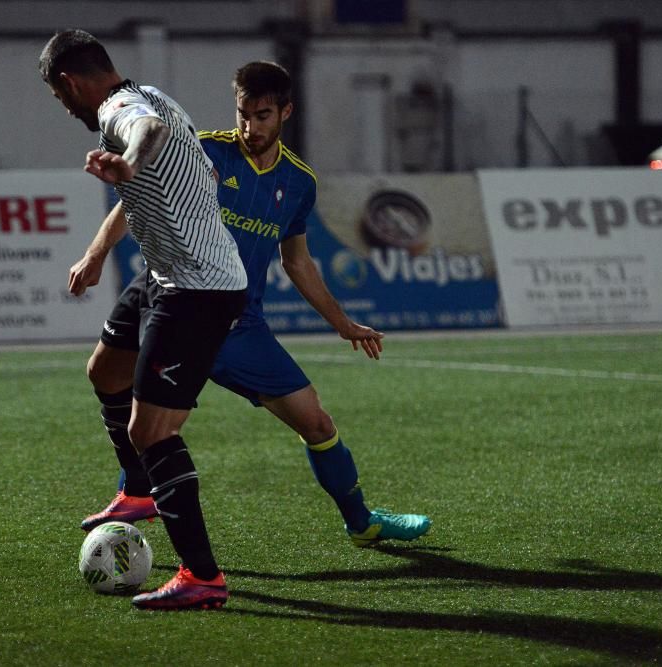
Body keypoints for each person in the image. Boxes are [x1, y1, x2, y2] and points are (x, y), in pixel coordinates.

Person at [69, 61, 431, 557]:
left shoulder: (299, 182)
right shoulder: (206, 151)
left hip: (241, 327)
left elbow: (297, 261)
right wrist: (96, 252)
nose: (250, 127)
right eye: (243, 114)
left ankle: (361, 522)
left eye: (262, 116)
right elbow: (136, 198)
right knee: (130, 402)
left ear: (286, 112)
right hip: (177, 303)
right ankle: (139, 498)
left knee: (318, 424)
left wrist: (341, 323)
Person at [39, 30, 248, 611]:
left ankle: (201, 577)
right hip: (164, 273)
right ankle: (139, 491)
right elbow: (162, 185)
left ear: (70, 84)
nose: (68, 108)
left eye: (62, 99)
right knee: (105, 371)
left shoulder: (120, 111)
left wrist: (127, 160)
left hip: (197, 288)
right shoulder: (154, 94)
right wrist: (98, 251)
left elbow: (144, 139)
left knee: (152, 430)